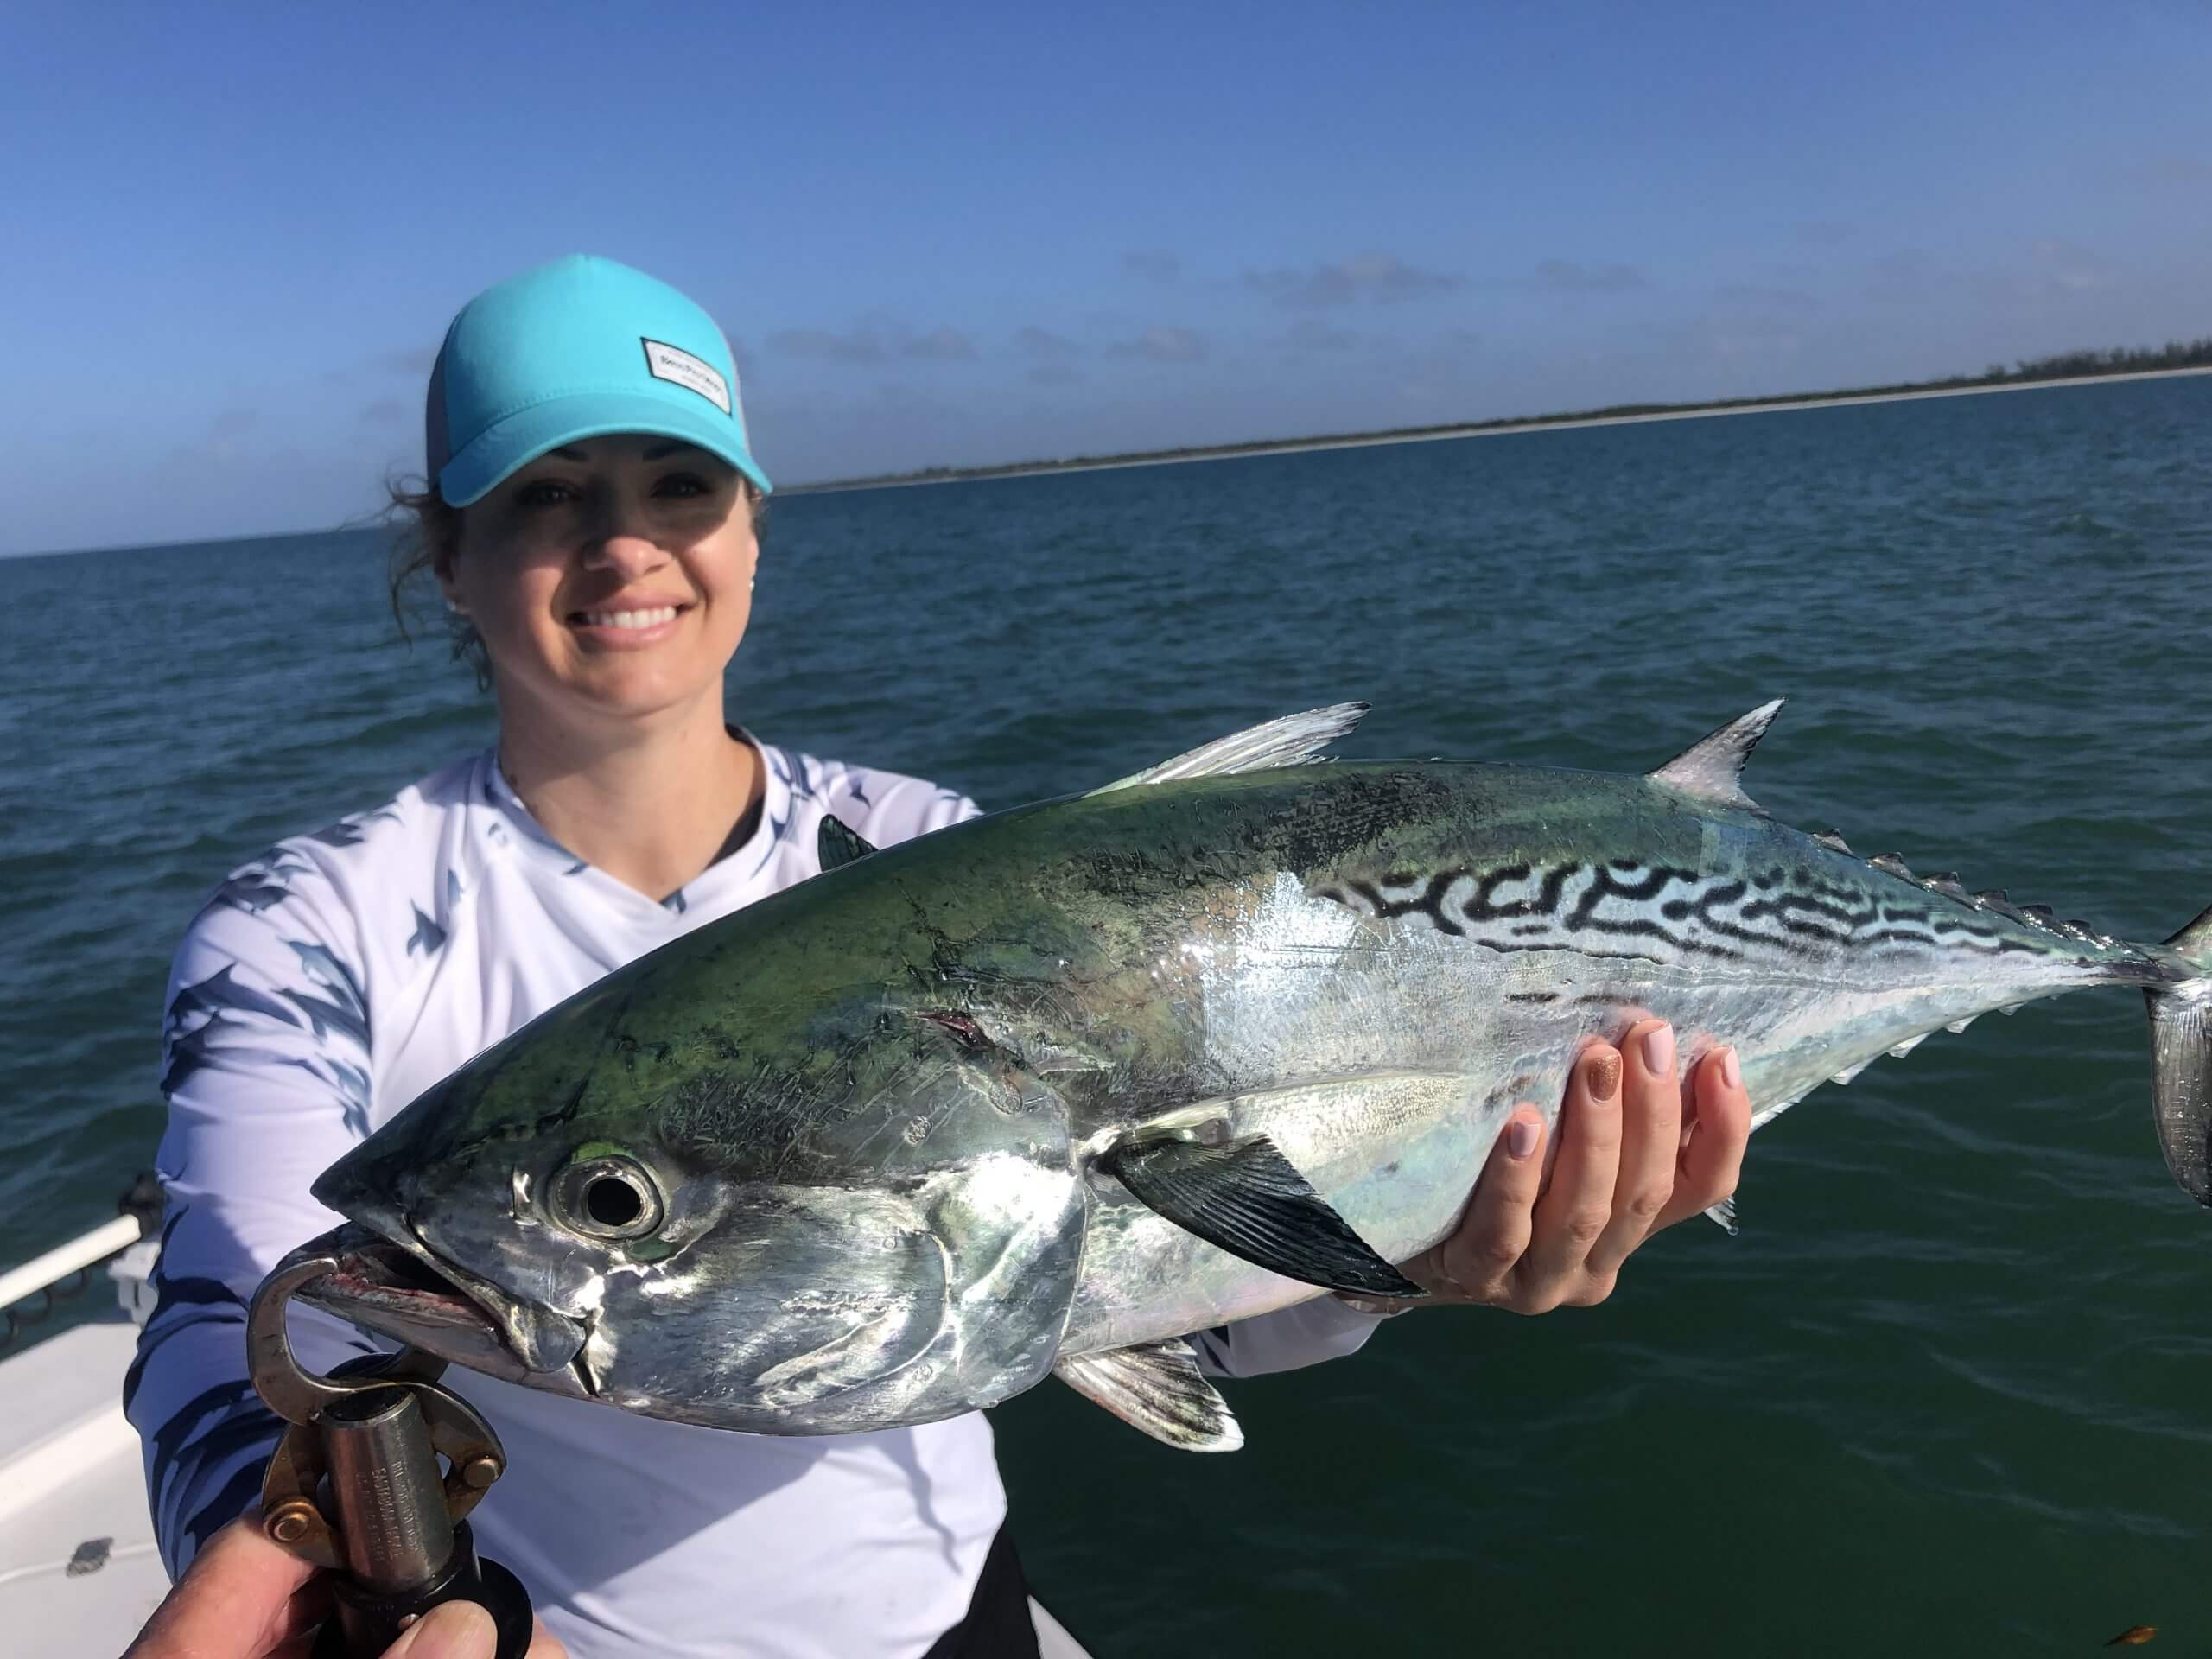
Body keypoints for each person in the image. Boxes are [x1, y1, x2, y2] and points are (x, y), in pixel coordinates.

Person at [123, 255, 1752, 1659]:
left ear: (752, 527)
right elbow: (231, 1307)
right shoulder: (312, 923)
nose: (626, 549)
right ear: (448, 551)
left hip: (952, 1621)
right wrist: (291, 1570)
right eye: (548, 494)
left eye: (678, 485)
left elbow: (1135, 1277)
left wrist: (1417, 1270)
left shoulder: (928, 855)